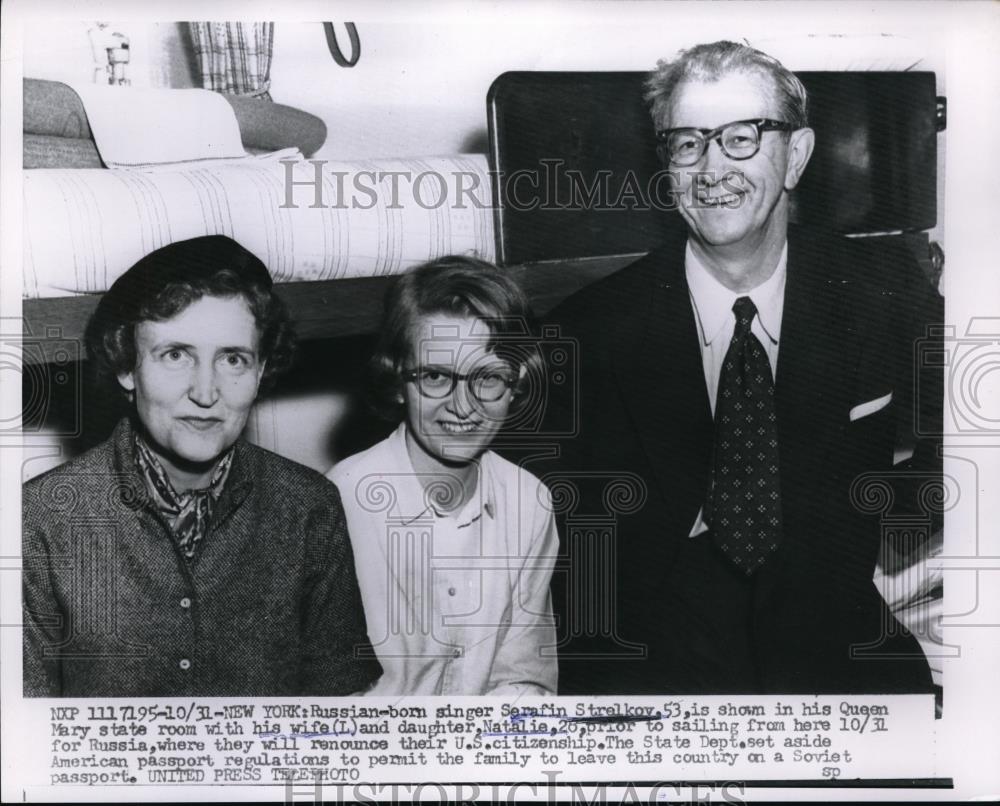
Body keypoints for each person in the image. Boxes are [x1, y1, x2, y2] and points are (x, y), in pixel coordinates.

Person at [544, 41, 943, 694]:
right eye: (687, 143)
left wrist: (902, 513)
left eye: (740, 139)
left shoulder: (881, 287)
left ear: (797, 155)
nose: (710, 170)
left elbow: (974, 409)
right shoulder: (587, 329)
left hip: (835, 635)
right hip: (656, 654)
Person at [22, 235, 381, 697]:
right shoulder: (40, 519)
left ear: (259, 372)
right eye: (175, 355)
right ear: (127, 366)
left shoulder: (308, 506)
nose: (206, 393)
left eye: (233, 359)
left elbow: (338, 705)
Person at [328, 255, 558, 695]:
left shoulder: (529, 502)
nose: (463, 405)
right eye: (436, 376)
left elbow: (525, 677)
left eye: (488, 378)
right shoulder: (338, 503)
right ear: (397, 379)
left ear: (518, 381)